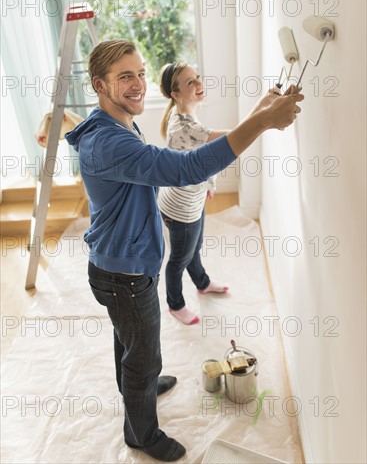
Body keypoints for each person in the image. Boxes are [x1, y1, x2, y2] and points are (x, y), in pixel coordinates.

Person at [65, 39, 303, 462]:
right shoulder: (110, 141)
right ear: (99, 85)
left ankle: (136, 383)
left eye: (140, 72)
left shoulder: (117, 121)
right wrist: (263, 123)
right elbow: (185, 167)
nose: (139, 84)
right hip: (124, 274)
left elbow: (184, 159)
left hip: (121, 265)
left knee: (130, 341)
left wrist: (260, 114)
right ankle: (141, 433)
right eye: (126, 77)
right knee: (143, 354)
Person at [158, 62, 231, 325]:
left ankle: (202, 282)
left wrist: (208, 185)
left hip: (193, 199)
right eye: (190, 82)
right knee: (179, 258)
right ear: (175, 94)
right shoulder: (182, 126)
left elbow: (201, 156)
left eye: (197, 77)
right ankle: (175, 304)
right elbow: (222, 141)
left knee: (194, 248)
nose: (199, 84)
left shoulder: (189, 116)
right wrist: (261, 121)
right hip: (181, 208)